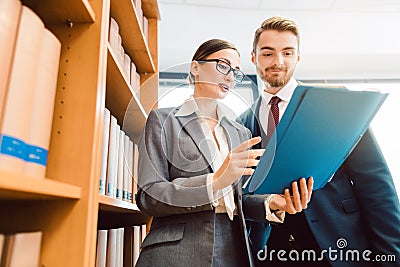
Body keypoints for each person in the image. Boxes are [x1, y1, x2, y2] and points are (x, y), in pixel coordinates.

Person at [135, 38, 313, 267]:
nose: (230, 77)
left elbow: (236, 200)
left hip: (233, 249)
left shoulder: (241, 132)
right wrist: (215, 181)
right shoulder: (163, 121)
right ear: (195, 67)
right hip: (176, 253)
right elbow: (149, 197)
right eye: (223, 65)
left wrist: (269, 203)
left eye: (236, 72)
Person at [240, 16, 400, 267]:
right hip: (273, 251)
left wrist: (391, 257)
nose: (278, 62)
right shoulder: (240, 123)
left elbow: (376, 186)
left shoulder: (336, 105)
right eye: (268, 53)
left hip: (339, 244)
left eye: (287, 52)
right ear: (253, 58)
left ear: (298, 57)